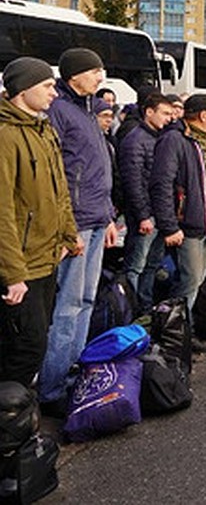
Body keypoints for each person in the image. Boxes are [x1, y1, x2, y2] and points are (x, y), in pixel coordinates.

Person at [40, 48, 119, 414]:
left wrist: (106, 219)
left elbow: (97, 172)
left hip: (94, 220)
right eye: (95, 71)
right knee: (68, 307)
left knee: (85, 302)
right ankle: (52, 388)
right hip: (74, 224)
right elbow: (56, 174)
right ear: (74, 75)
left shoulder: (86, 109)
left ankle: (73, 374)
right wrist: (65, 228)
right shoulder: (59, 111)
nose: (101, 78)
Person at [0, 58, 77, 389]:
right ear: (23, 89)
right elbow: (2, 210)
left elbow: (59, 192)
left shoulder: (43, 129)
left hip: (47, 258)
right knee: (24, 348)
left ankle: (18, 422)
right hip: (22, 267)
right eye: (47, 86)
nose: (54, 93)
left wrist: (68, 235)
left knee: (36, 340)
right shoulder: (5, 135)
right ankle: (9, 425)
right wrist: (12, 273)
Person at [149, 94, 206, 310]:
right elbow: (162, 184)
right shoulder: (175, 139)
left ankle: (185, 328)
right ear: (203, 115)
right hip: (188, 223)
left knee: (198, 278)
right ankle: (175, 329)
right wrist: (169, 226)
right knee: (189, 280)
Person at [120, 91, 178, 312]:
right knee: (136, 266)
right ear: (149, 112)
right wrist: (143, 215)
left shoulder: (160, 138)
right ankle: (131, 310)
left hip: (160, 213)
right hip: (146, 216)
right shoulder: (135, 141)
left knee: (152, 264)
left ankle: (145, 307)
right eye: (164, 113)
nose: (169, 118)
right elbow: (133, 183)